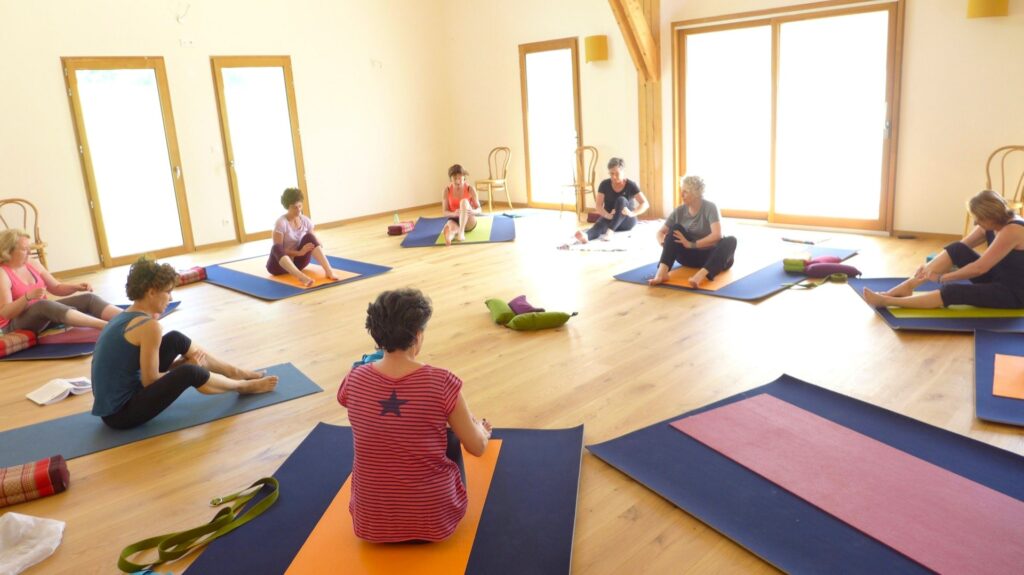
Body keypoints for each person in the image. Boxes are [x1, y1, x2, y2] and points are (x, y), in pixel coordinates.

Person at [338, 288, 492, 542]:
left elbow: (346, 399)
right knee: (451, 435)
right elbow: (477, 448)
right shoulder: (442, 381)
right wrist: (481, 430)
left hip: (371, 525)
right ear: (418, 335)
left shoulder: (354, 378)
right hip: (435, 521)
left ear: (376, 337)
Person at [92, 257, 277, 429]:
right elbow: (149, 380)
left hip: (116, 403)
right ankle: (242, 386)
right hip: (121, 414)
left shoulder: (124, 317)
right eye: (168, 292)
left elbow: (141, 373)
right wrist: (183, 368)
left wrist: (180, 366)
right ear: (151, 292)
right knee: (191, 372)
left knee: (175, 339)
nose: (171, 298)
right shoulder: (149, 327)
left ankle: (235, 372)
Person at [864, 190, 1024, 309]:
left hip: (1013, 293)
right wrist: (926, 269)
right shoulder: (991, 224)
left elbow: (979, 268)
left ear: (991, 216)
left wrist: (942, 277)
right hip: (996, 278)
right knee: (957, 248)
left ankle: (888, 301)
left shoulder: (1013, 230)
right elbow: (960, 247)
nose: (976, 223)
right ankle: (907, 287)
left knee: (952, 290)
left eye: (979, 218)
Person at [0, 228, 121, 334]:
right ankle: (105, 326)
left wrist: (76, 287)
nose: (29, 252)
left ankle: (128, 317)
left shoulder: (32, 263)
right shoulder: (2, 273)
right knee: (43, 305)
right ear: (8, 251)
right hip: (14, 325)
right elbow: (6, 313)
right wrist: (27, 297)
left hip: (44, 316)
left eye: (29, 248)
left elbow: (56, 287)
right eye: (24, 249)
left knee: (88, 299)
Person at [649, 175, 738, 288]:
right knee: (675, 229)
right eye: (682, 191)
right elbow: (660, 232)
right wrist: (665, 244)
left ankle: (699, 276)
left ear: (696, 193)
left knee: (731, 240)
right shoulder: (679, 211)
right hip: (689, 257)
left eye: (685, 192)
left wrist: (691, 244)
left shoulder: (710, 207)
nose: (681, 195)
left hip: (712, 258)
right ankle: (661, 274)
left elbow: (717, 235)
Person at [267, 188, 336, 287]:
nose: (298, 210)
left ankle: (329, 271)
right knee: (276, 247)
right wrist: (299, 253)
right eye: (295, 207)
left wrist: (317, 242)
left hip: (299, 263)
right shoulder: (281, 223)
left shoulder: (305, 220)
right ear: (288, 207)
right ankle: (301, 277)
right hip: (278, 267)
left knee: (310, 237)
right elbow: (279, 251)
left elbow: (314, 240)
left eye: (300, 206)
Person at [573, 157, 650, 244]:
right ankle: (586, 236)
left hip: (627, 220)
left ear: (623, 172)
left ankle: (610, 231)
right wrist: (608, 216)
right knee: (599, 225)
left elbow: (645, 203)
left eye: (617, 174)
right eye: (611, 173)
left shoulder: (631, 185)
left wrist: (632, 213)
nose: (613, 176)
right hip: (610, 217)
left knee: (621, 200)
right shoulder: (604, 184)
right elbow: (598, 205)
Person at [441, 164, 483, 245]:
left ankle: (461, 232)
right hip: (455, 219)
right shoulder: (446, 190)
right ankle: (450, 236)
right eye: (455, 178)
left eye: (459, 178)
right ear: (450, 179)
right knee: (451, 228)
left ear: (464, 177)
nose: (457, 181)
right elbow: (444, 212)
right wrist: (454, 213)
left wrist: (473, 211)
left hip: (469, 221)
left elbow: (479, 209)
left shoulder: (470, 189)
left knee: (464, 202)